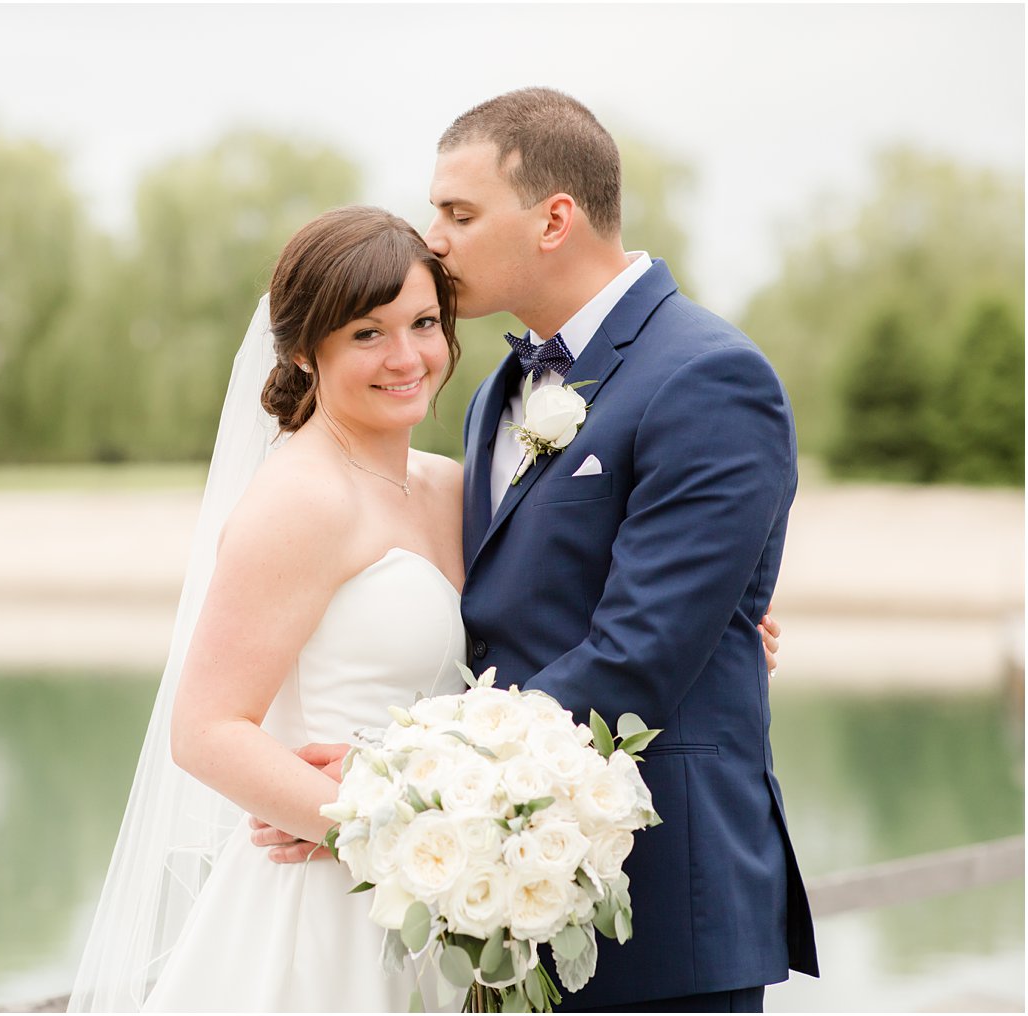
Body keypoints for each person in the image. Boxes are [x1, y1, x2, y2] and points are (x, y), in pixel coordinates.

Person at [252, 88, 819, 1012]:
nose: (431, 238)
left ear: (555, 218)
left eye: (459, 213)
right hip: (489, 911)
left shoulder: (708, 376)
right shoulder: (493, 395)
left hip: (657, 904)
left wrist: (391, 798)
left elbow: (637, 659)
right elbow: (504, 614)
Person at [68, 205, 470, 1012]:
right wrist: (383, 825)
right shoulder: (301, 500)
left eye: (423, 323)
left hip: (441, 902)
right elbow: (207, 731)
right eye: (366, 333)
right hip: (327, 910)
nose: (406, 357)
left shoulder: (451, 485)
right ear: (300, 351)